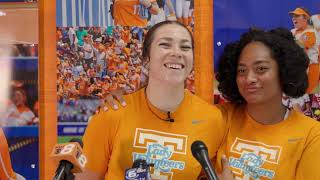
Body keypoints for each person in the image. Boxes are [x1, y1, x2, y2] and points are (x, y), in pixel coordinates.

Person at [80, 21, 226, 179]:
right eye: (165, 45)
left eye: (185, 47)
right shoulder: (112, 112)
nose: (177, 53)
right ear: (146, 58)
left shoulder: (212, 119)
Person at [215, 28, 320, 179]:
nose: (249, 78)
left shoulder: (311, 135)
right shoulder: (222, 118)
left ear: (283, 71)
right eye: (242, 70)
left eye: (261, 69)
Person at [289, 7, 320, 94]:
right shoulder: (293, 31)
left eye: (297, 16)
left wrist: (287, 42)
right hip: (298, 68)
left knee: (307, 94)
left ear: (305, 18)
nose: (294, 18)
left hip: (311, 68)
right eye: (293, 16)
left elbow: (300, 46)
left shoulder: (311, 32)